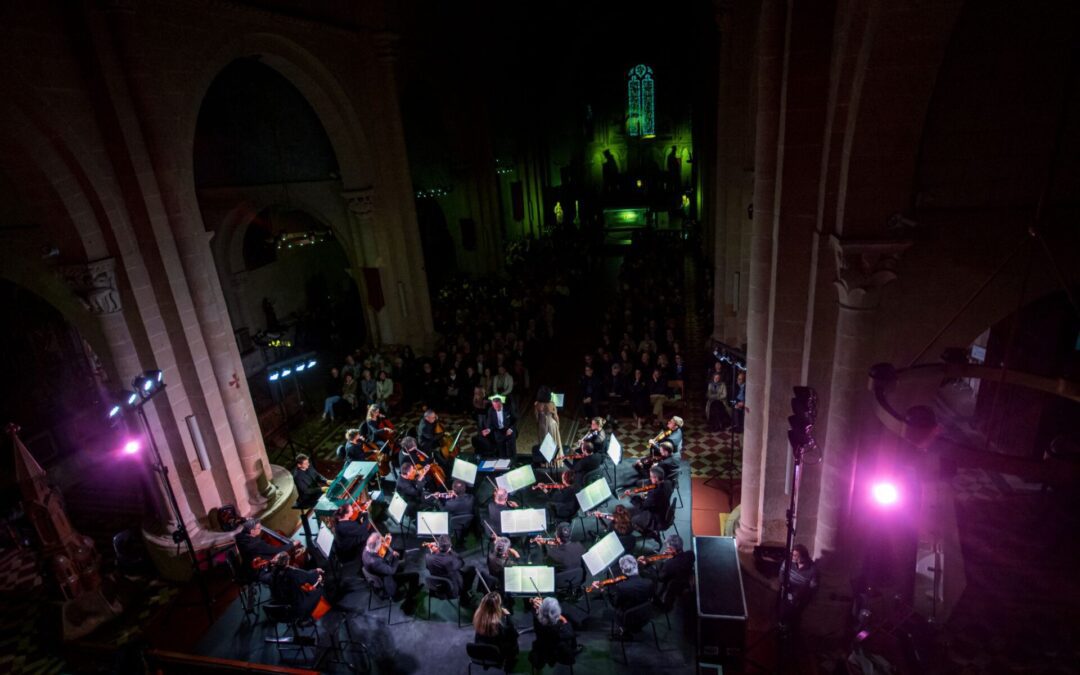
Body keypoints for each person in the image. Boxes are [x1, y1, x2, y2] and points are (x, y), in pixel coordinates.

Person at [362, 532, 419, 610]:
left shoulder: (366, 550)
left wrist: (385, 544)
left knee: (401, 564)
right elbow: (391, 571)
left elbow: (380, 554)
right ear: (377, 547)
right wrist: (395, 557)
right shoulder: (375, 562)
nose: (383, 543)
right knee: (415, 576)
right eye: (381, 543)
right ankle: (409, 597)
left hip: (378, 573)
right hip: (387, 583)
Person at [262, 551, 325, 619]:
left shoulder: (271, 576)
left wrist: (266, 566)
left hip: (279, 606)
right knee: (319, 589)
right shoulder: (293, 574)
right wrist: (317, 571)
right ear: (287, 562)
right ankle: (306, 617)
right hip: (295, 610)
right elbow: (309, 576)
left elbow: (262, 577)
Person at [605, 555, 656, 637]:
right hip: (646, 614)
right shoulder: (649, 582)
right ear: (636, 566)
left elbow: (615, 605)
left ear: (623, 570)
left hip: (628, 619)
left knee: (613, 610)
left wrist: (605, 593)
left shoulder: (621, 587)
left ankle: (624, 632)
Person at [639, 534, 695, 606]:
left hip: (672, 584)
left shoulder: (669, 565)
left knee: (649, 569)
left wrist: (652, 565)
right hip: (684, 578)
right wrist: (668, 556)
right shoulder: (690, 554)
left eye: (668, 548)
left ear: (672, 549)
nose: (666, 549)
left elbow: (661, 578)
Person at [472, 591, 519, 671]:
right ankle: (509, 666)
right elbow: (515, 635)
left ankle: (486, 663)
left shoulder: (478, 617)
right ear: (497, 607)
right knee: (514, 643)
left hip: (481, 651)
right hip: (496, 653)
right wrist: (508, 616)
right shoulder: (498, 625)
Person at [425, 534, 477, 604]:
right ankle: (464, 595)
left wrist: (433, 552)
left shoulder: (428, 557)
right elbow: (461, 562)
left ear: (438, 546)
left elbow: (429, 565)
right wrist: (451, 551)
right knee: (471, 570)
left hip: (435, 587)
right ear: (449, 546)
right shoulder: (451, 560)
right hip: (451, 591)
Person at [529, 597, 577, 670]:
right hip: (559, 652)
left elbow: (536, 611)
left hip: (541, 649)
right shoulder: (558, 626)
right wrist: (564, 620)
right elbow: (570, 634)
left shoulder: (537, 619)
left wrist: (534, 602)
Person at [778, 543, 818, 631]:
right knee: (784, 606)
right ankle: (783, 625)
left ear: (803, 557)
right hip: (788, 587)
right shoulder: (789, 561)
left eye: (796, 555)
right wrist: (784, 583)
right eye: (793, 554)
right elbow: (781, 572)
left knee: (794, 610)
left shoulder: (812, 569)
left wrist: (802, 594)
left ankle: (789, 629)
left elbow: (813, 588)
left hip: (800, 594)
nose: (792, 557)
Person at [630, 466, 673, 534]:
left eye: (651, 476)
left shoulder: (654, 493)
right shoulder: (668, 483)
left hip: (658, 519)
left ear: (656, 478)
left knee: (633, 519)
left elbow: (642, 507)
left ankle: (650, 534)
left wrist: (632, 497)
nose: (650, 478)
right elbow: (655, 489)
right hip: (664, 510)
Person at [439, 480, 475, 546]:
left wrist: (439, 501)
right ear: (465, 489)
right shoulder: (471, 498)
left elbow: (443, 512)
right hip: (469, 522)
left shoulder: (449, 503)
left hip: (455, 524)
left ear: (453, 491)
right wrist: (455, 495)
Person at [482, 395, 517, 460]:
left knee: (512, 452)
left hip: (509, 431)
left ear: (501, 403)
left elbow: (515, 419)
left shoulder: (508, 408)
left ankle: (513, 462)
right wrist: (488, 429)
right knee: (502, 453)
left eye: (498, 406)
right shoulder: (491, 410)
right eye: (495, 407)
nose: (496, 409)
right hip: (499, 433)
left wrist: (510, 429)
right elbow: (490, 424)